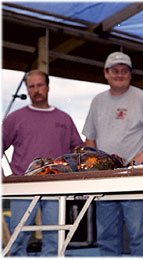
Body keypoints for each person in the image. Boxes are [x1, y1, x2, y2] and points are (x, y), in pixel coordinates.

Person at [82, 51, 143, 256]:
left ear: (131, 74)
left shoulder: (142, 97)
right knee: (106, 238)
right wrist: (94, 164)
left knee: (140, 237)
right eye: (115, 70)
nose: (119, 74)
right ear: (106, 73)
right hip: (105, 179)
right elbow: (89, 137)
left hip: (135, 177)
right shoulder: (97, 101)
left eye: (124, 71)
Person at [2, 69, 83, 256]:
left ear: (48, 87)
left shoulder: (64, 119)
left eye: (40, 85)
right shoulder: (15, 118)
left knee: (55, 239)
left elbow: (78, 151)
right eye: (31, 86)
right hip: (23, 186)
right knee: (17, 239)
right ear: (27, 90)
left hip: (56, 186)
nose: (36, 90)